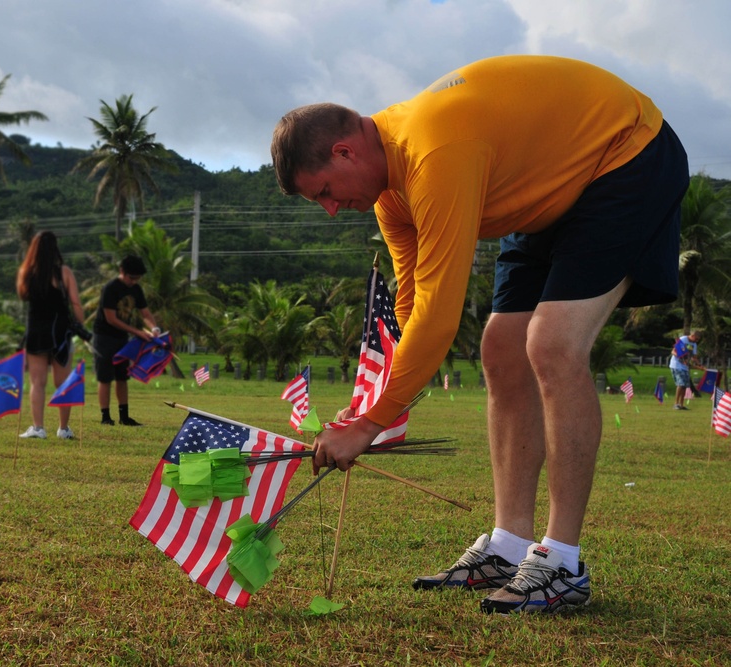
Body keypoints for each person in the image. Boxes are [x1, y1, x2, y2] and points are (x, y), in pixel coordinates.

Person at [270, 55, 689, 614]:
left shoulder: (433, 152)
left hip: (623, 154)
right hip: (545, 187)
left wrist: (371, 425)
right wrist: (369, 406)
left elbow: (441, 316)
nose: (328, 210)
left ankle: (561, 561)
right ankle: (509, 545)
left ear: (345, 151)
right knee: (500, 349)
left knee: (552, 343)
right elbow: (412, 300)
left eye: (323, 190)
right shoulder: (391, 194)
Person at [16, 231, 86, 440]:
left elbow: (22, 294)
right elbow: (75, 302)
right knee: (63, 383)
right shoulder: (64, 273)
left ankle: (38, 428)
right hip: (61, 333)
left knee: (37, 382)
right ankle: (63, 429)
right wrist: (81, 326)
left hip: (37, 332)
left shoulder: (27, 272)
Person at [92, 254, 162, 426]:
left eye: (137, 279)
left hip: (122, 338)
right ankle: (105, 417)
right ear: (122, 271)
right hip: (104, 337)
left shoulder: (136, 289)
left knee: (122, 377)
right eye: (131, 278)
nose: (134, 282)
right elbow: (111, 319)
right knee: (105, 377)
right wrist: (137, 332)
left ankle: (124, 416)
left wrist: (154, 328)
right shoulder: (110, 288)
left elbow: (145, 313)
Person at [669, 330, 703, 410]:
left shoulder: (694, 344)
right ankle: (676, 404)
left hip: (685, 366)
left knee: (684, 386)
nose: (697, 341)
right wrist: (679, 355)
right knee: (680, 384)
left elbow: (694, 357)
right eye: (696, 339)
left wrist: (699, 365)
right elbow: (673, 351)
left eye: (698, 340)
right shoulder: (683, 339)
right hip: (676, 365)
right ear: (692, 335)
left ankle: (681, 404)